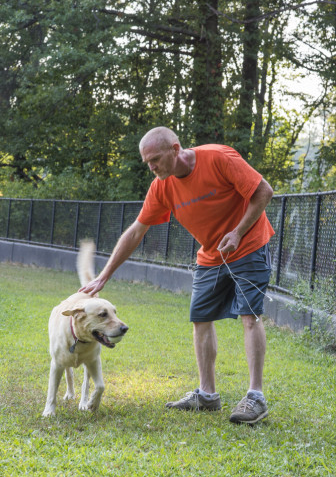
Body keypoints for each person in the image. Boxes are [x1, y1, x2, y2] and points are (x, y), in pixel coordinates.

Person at [79, 126, 275, 424]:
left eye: (155, 159)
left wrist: (237, 232)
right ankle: (207, 395)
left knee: (250, 315)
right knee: (200, 319)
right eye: (147, 162)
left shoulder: (219, 158)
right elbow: (136, 231)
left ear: (175, 148)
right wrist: (105, 275)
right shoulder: (162, 186)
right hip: (211, 255)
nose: (152, 167)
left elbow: (264, 191)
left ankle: (255, 396)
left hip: (248, 244)